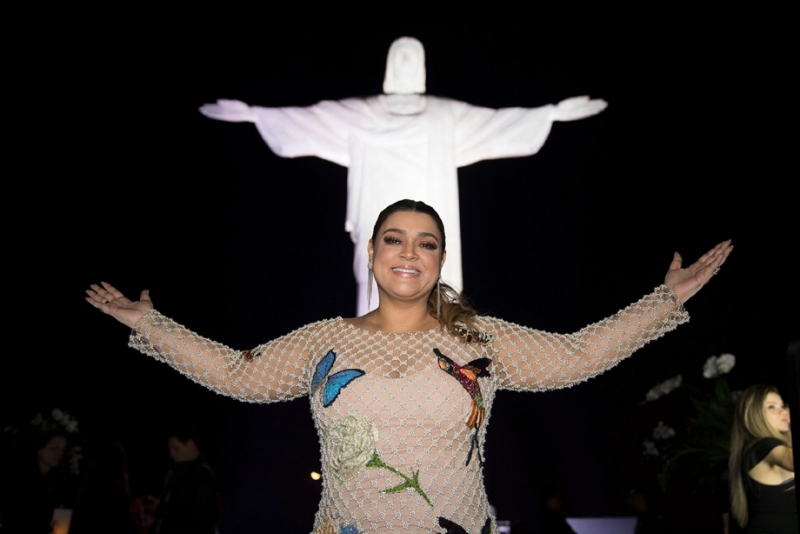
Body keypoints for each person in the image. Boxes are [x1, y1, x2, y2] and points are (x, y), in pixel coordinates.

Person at [86, 199, 732, 534]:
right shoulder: (323, 340)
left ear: (440, 259)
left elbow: (581, 354)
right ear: (371, 252)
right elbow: (235, 374)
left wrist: (666, 299)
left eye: (425, 243)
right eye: (393, 238)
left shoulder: (480, 341)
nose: (408, 252)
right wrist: (148, 324)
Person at [200, 37, 607, 316]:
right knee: (380, 276)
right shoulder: (364, 112)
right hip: (380, 214)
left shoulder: (442, 113)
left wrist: (549, 114)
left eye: (414, 60)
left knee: (431, 276)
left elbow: (494, 124)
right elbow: (313, 120)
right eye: (402, 59)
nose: (408, 65)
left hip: (429, 213)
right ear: (391, 67)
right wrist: (257, 114)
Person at [728, 384, 796, 533]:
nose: (783, 411)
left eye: (782, 405)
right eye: (771, 407)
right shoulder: (762, 446)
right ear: (754, 414)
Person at [147, 423, 221, 534]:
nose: (171, 454)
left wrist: (161, 509)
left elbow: (197, 517)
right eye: (170, 449)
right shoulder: (179, 473)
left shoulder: (201, 476)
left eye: (176, 449)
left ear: (190, 444)